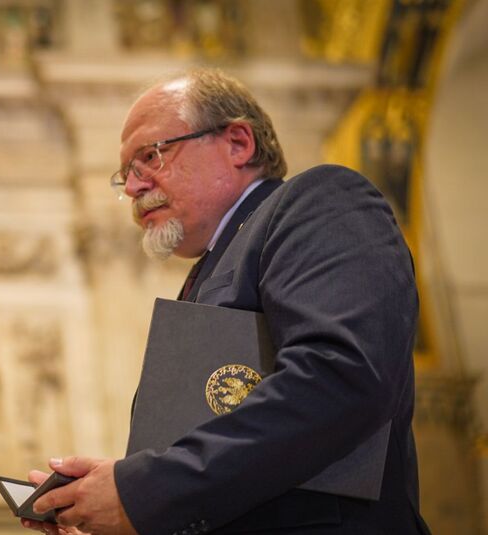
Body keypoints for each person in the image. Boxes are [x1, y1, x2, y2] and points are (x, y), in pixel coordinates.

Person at [23, 69, 430, 534]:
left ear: (239, 143)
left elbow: (340, 376)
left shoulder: (321, 202)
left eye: (151, 156)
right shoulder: (210, 267)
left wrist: (141, 493)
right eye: (125, 175)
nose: (134, 187)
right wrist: (120, 512)